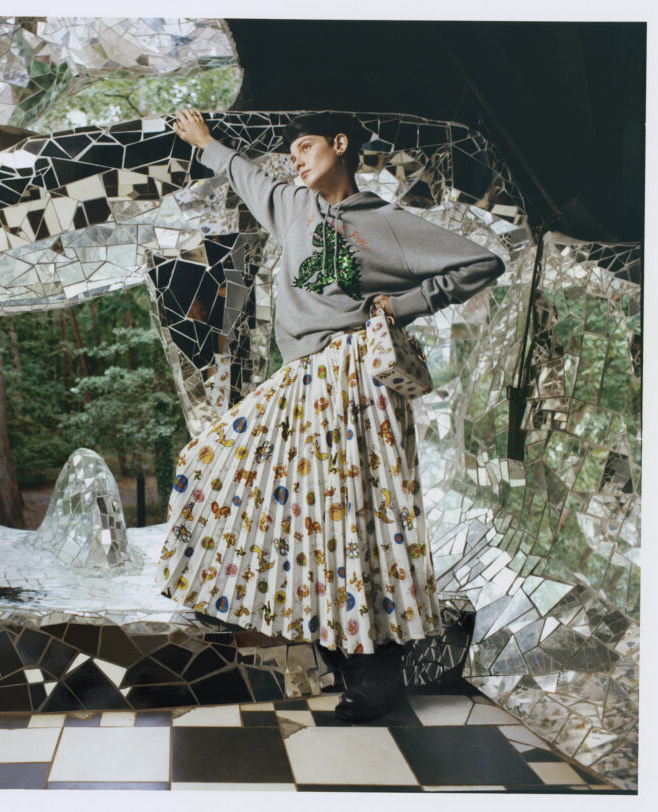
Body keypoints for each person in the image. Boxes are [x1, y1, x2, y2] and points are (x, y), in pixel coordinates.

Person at [157, 108, 505, 722]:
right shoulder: (290, 205)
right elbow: (243, 173)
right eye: (292, 151)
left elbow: (483, 263)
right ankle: (239, 596)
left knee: (350, 525)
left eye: (306, 146)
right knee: (210, 460)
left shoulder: (385, 222)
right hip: (302, 380)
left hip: (358, 381)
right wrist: (205, 141)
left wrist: (403, 303)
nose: (295, 159)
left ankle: (371, 673)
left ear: (340, 145)